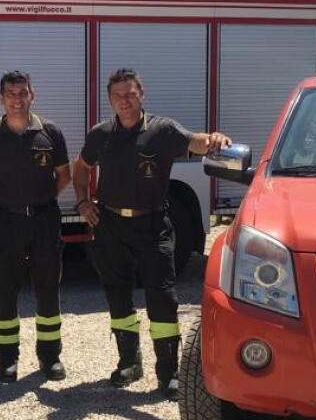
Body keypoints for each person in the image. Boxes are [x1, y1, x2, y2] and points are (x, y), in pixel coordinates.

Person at [71, 68, 230, 400]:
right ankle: (129, 363)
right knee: (117, 294)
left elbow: (195, 142)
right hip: (111, 225)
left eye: (130, 94)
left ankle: (168, 372)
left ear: (141, 94)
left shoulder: (162, 130)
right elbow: (80, 168)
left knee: (162, 297)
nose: (125, 101)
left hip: (153, 225)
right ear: (110, 99)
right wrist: (84, 202)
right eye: (118, 96)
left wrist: (214, 140)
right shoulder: (101, 134)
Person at [0, 71, 71, 383]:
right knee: (5, 290)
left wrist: (40, 200)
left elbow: (64, 175)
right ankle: (6, 359)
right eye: (10, 93)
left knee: (47, 289)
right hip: (6, 221)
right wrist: (1, 204)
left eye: (22, 92)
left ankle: (50, 357)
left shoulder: (50, 132)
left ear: (32, 95)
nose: (17, 99)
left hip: (44, 219)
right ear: (1, 98)